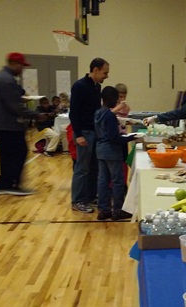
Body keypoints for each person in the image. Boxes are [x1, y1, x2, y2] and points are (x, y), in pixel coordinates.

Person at [0, 52, 45, 195]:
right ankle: (12, 184)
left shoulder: (2, 77)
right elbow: (14, 106)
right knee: (19, 152)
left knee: (7, 155)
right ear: (14, 64)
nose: (22, 69)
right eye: (21, 66)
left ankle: (4, 184)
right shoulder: (6, 80)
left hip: (4, 124)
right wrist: (35, 115)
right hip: (9, 125)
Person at [69, 58, 109, 213]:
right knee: (82, 168)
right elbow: (74, 112)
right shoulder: (79, 86)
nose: (106, 76)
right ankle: (77, 200)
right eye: (105, 72)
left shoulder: (96, 87)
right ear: (96, 70)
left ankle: (90, 197)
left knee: (94, 167)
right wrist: (78, 134)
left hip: (94, 133)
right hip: (84, 133)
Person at [94, 86, 138, 220]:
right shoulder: (110, 115)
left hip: (100, 149)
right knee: (117, 181)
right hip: (112, 151)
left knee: (103, 180)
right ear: (111, 99)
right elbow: (115, 138)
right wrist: (132, 137)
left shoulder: (98, 112)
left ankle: (103, 209)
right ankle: (118, 210)